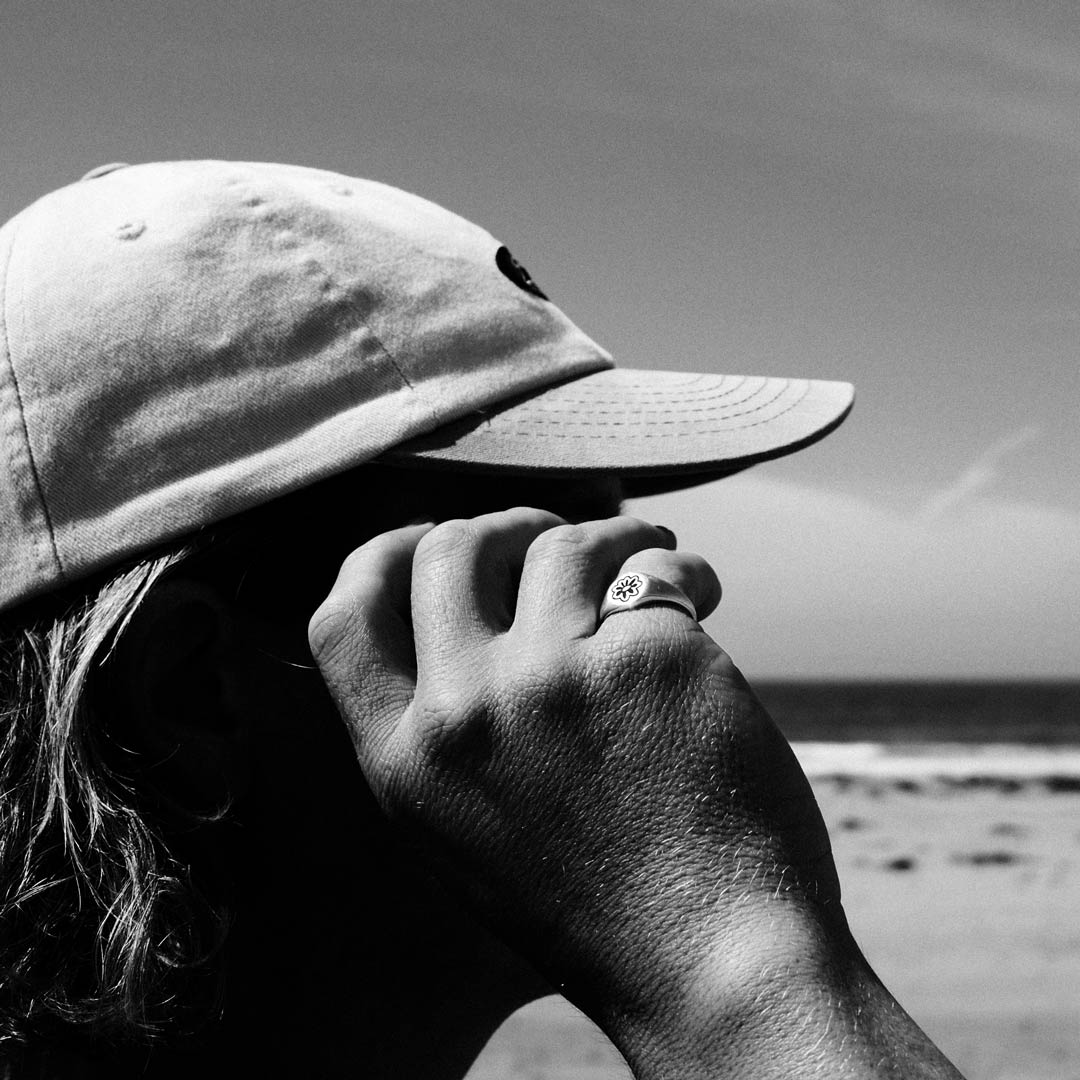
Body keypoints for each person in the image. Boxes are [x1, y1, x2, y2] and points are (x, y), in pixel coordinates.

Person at [0, 160, 959, 1077]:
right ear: (193, 689)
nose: (658, 627)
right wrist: (734, 966)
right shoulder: (728, 980)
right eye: (540, 564)